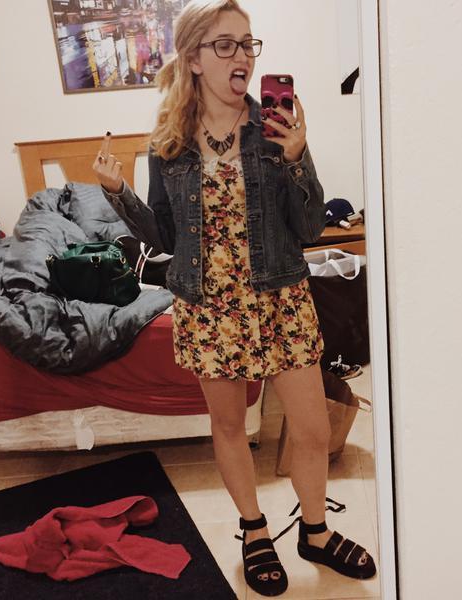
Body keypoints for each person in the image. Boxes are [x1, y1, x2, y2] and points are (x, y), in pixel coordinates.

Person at [92, 0, 375, 595]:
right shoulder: (168, 143)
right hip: (210, 306)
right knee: (228, 426)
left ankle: (316, 531)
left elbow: (309, 228)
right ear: (194, 58)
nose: (242, 56)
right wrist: (118, 194)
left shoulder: (275, 129)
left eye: (248, 44)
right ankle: (254, 530)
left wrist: (296, 158)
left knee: (312, 429)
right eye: (226, 45)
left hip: (281, 297)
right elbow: (165, 239)